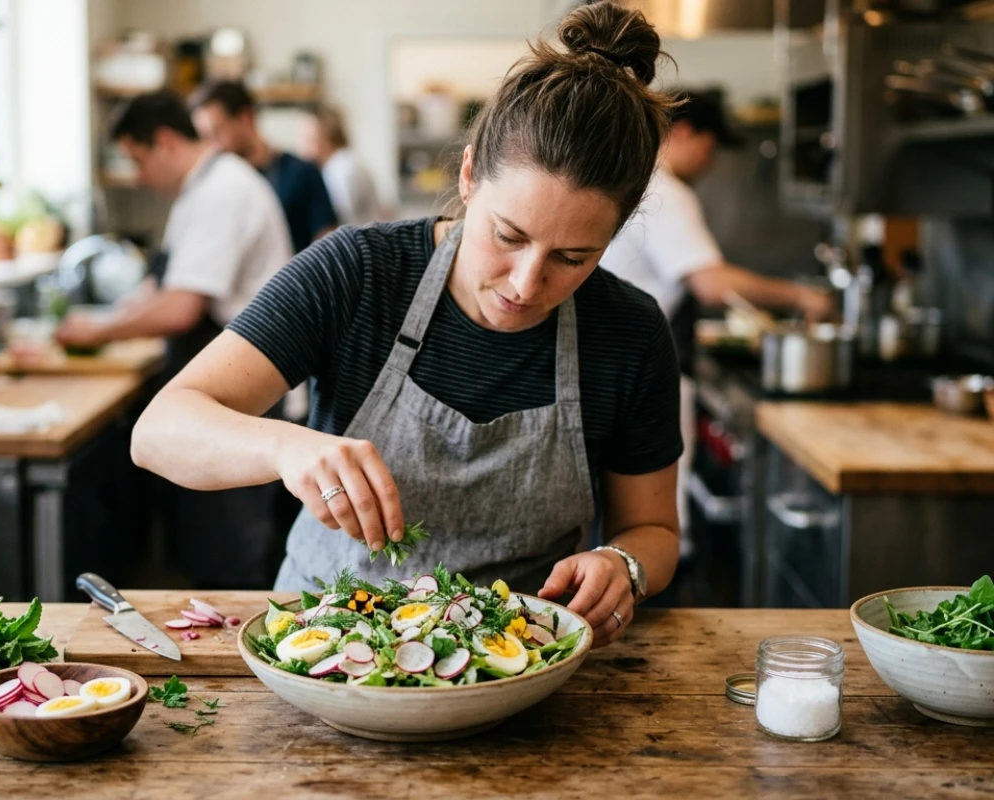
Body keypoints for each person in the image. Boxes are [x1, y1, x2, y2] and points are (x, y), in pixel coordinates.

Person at [134, 0, 680, 645]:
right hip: (323, 649)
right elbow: (159, 432)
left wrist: (625, 565)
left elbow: (654, 531)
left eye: (573, 257)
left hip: (514, 658)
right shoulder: (360, 272)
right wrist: (284, 446)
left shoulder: (629, 331)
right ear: (471, 175)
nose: (527, 284)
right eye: (507, 235)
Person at [58, 91, 293, 589]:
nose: (139, 176)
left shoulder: (223, 191)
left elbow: (183, 306)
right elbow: (163, 285)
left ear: (164, 142)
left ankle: (241, 658)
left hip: (244, 391)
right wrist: (115, 314)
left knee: (230, 553)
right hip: (224, 384)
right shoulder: (201, 190)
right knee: (208, 545)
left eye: (139, 160)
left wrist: (97, 330)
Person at [598, 89, 833, 551]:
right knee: (650, 534)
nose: (710, 161)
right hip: (629, 375)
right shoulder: (664, 190)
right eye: (710, 146)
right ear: (684, 132)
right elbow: (711, 282)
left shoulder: (642, 183)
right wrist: (803, 297)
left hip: (616, 371)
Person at [192, 81, 339, 253]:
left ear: (245, 118)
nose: (212, 145)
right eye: (205, 136)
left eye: (217, 131)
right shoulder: (215, 186)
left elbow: (329, 247)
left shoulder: (302, 173)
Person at [296, 106, 383, 226]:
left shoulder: (343, 170)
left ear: (325, 137)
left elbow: (336, 218)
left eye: (306, 138)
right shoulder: (335, 167)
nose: (301, 146)